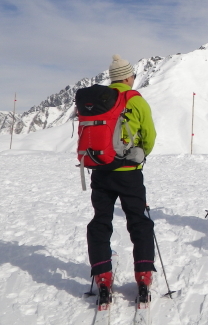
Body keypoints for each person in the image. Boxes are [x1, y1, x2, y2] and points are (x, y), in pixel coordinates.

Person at [88, 54, 157, 300]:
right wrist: (140, 154)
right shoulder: (135, 100)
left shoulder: (99, 100)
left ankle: (103, 276)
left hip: (100, 171)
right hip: (129, 173)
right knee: (139, 221)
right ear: (128, 77)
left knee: (101, 221)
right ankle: (144, 275)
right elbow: (149, 135)